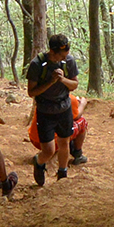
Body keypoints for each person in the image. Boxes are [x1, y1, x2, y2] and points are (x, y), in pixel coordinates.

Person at [27, 33, 79, 186]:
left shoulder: (69, 61)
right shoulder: (37, 64)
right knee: (49, 150)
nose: (65, 58)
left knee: (65, 142)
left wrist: (62, 79)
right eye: (62, 56)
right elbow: (31, 92)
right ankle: (39, 162)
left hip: (64, 108)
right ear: (53, 52)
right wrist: (51, 81)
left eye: (66, 55)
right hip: (45, 111)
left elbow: (75, 85)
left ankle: (62, 174)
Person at [29, 94, 89, 166]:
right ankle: (77, 154)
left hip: (35, 139)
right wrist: (82, 104)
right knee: (82, 121)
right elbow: (76, 116)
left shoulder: (43, 96)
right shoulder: (69, 99)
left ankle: (44, 156)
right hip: (54, 142)